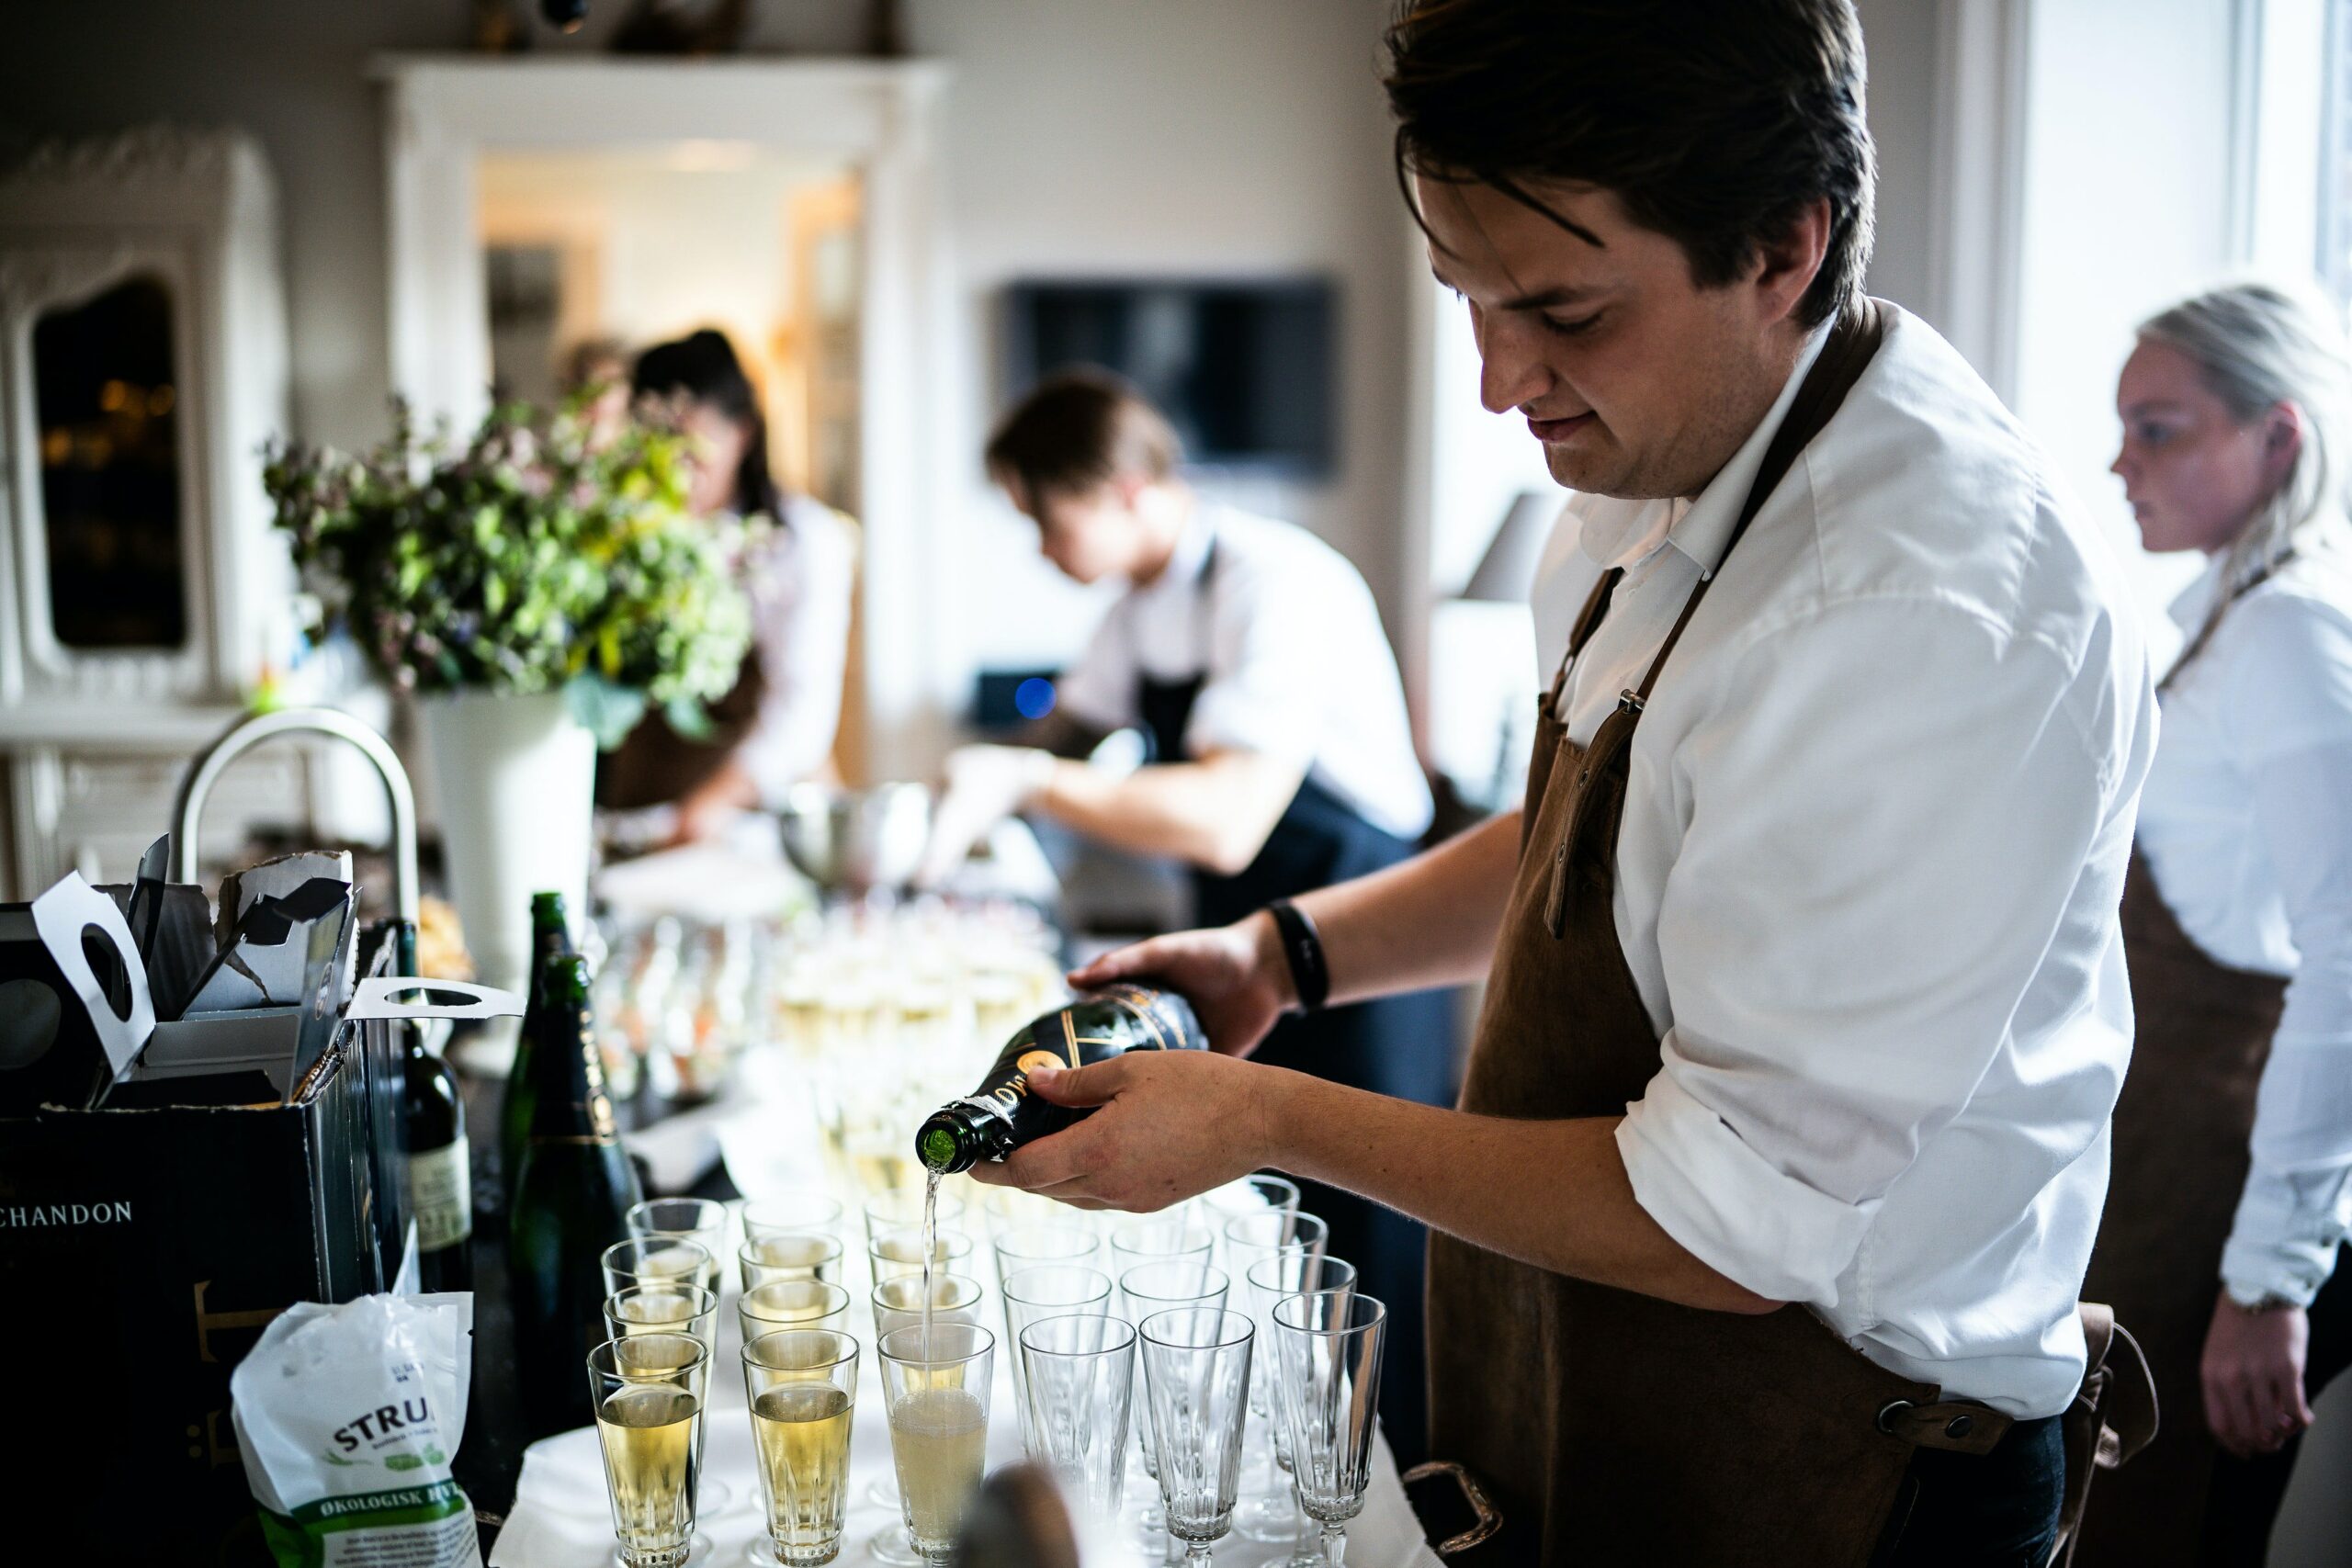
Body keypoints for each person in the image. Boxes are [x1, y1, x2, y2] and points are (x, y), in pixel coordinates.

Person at [964, 3, 2161, 1563]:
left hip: (1849, 1471)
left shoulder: (1924, 613)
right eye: (1467, 297)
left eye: (1568, 313)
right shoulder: (1664, 472)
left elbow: (1731, 1225)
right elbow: (1584, 840)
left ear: (1783, 247)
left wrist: (1258, 1116)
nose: (1497, 380)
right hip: (1603, 1387)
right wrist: (1285, 955)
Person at [925, 369, 1453, 1460]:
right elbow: (1062, 736)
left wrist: (1018, 787)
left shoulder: (1278, 582)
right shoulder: (1138, 610)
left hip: (1362, 939)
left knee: (1362, 1249)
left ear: (1120, 489)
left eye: (1041, 514)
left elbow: (1224, 819)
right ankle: (1296, 1459)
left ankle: (1400, 1484)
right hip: (1242, 948)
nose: (1035, 546)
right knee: (1259, 1226)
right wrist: (970, 779)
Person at [2073, 283, 2352, 1566]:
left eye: (2161, 428)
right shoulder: (2220, 623)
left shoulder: (2295, 632)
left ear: (2279, 439)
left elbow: (2346, 956)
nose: (2121, 460)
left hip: (2212, 1179)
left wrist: (2268, 1276)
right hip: (2150, 1152)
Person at [594, 329, 856, 838]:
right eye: (654, 440)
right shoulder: (619, 535)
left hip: (759, 814)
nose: (672, 463)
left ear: (743, 432)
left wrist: (709, 806)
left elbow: (800, 716)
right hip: (638, 807)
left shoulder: (802, 540)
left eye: (691, 442)